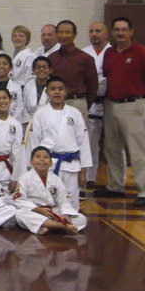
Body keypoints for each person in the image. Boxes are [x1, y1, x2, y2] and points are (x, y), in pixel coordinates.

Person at [96, 16, 145, 207]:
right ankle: (116, 186)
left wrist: (144, 102)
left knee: (138, 150)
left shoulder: (141, 52)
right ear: (112, 33)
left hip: (133, 105)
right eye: (117, 30)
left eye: (124, 29)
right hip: (111, 104)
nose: (120, 33)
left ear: (131, 32)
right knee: (112, 149)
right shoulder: (110, 53)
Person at [28, 76, 92, 210]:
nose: (56, 92)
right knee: (47, 200)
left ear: (66, 91)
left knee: (71, 202)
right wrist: (34, 167)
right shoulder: (40, 114)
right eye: (53, 89)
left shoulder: (75, 113)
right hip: (47, 165)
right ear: (47, 92)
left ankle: (68, 223)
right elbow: (34, 142)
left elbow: (83, 142)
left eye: (60, 89)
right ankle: (51, 222)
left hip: (71, 165)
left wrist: (84, 169)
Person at [14, 146, 87, 235]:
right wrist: (39, 210)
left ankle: (48, 226)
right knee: (20, 214)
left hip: (52, 213)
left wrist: (65, 214)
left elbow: (63, 199)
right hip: (35, 211)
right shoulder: (25, 178)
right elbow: (19, 199)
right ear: (31, 162)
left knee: (82, 219)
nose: (42, 160)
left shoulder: (55, 179)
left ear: (51, 162)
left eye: (46, 157)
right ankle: (61, 227)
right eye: (38, 157)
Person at [48, 20, 98, 122]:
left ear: (74, 35)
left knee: (78, 136)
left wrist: (84, 105)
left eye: (67, 32)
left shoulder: (85, 58)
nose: (64, 35)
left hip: (77, 102)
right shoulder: (52, 58)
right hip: (56, 102)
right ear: (57, 34)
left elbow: (93, 86)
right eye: (61, 32)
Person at [82, 21, 111, 188]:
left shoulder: (112, 52)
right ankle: (91, 177)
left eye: (98, 31)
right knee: (91, 142)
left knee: (115, 144)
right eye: (91, 31)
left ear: (106, 34)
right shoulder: (85, 53)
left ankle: (118, 181)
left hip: (110, 102)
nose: (94, 34)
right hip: (92, 103)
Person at [22, 56, 52, 124]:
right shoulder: (28, 86)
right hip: (30, 122)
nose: (41, 69)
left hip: (50, 121)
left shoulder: (54, 86)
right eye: (38, 67)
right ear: (33, 70)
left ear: (50, 70)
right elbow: (23, 106)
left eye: (44, 67)